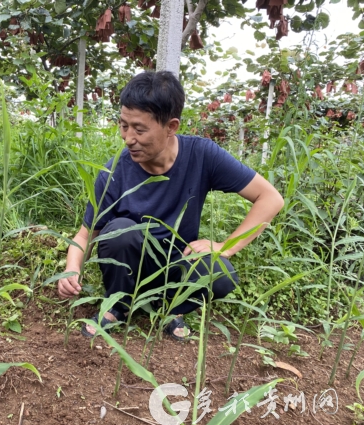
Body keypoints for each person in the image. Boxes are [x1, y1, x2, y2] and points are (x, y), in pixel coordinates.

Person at [57, 71, 284, 340]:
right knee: (120, 231)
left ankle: (170, 307)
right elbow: (86, 235)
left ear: (171, 126)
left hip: (176, 264)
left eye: (139, 129)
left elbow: (270, 198)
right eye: (124, 125)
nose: (128, 138)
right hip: (132, 264)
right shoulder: (114, 171)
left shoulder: (202, 155)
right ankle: (118, 304)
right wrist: (71, 269)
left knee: (220, 273)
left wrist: (226, 246)